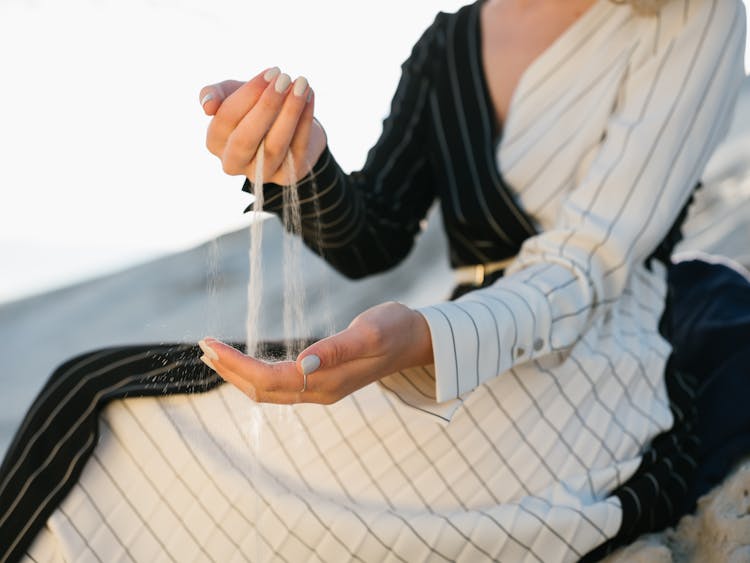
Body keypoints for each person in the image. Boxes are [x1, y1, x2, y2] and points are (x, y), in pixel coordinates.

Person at [1, 0, 748, 560]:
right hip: (435, 343)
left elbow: (590, 261)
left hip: (596, 355)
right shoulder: (447, 46)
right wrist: (300, 166)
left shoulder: (686, 15)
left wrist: (429, 338)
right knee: (94, 402)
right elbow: (374, 236)